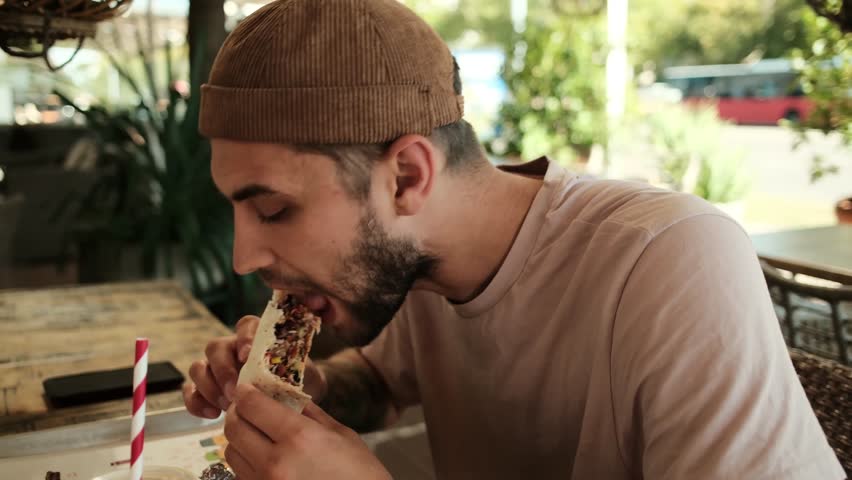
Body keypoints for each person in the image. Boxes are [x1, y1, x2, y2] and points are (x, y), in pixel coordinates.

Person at [183, 0, 845, 479]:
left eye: (272, 209)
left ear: (408, 175)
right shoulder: (410, 263)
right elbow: (379, 383)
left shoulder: (672, 258)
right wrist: (315, 392)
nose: (244, 257)